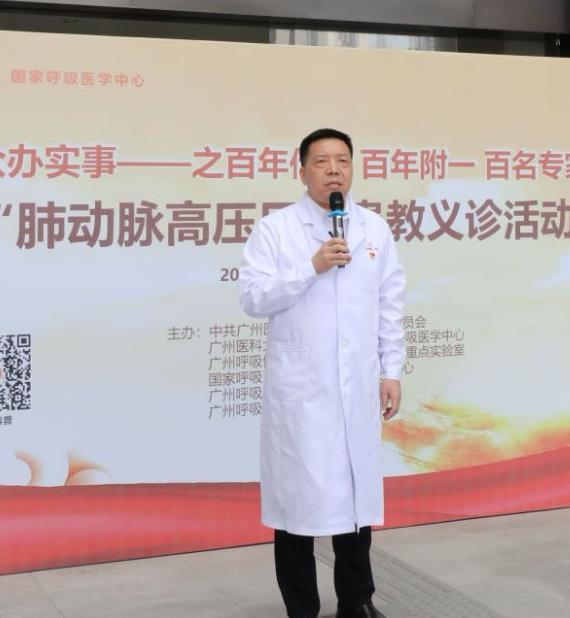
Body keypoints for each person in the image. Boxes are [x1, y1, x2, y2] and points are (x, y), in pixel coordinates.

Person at [238, 128, 406, 618]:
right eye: (322, 161)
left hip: (357, 388)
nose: (334, 170)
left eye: (342, 160)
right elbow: (252, 298)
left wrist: (391, 371)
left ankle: (357, 602)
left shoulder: (374, 229)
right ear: (302, 170)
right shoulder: (276, 229)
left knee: (354, 504)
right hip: (303, 394)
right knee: (297, 510)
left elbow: (390, 303)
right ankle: (302, 609)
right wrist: (310, 267)